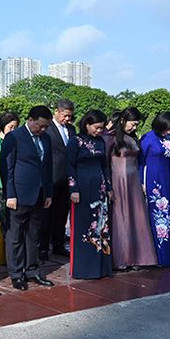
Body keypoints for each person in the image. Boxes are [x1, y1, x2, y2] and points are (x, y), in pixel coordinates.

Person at [0, 105, 54, 291]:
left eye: (46, 126)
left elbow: (47, 167)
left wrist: (48, 192)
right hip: (19, 194)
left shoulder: (46, 139)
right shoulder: (14, 137)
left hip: (39, 194)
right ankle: (16, 273)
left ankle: (32, 269)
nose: (43, 129)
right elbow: (7, 167)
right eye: (40, 125)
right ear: (30, 119)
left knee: (34, 234)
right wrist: (10, 193)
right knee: (15, 235)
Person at [104, 108, 157, 270]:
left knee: (136, 219)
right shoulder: (110, 138)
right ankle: (122, 258)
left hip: (133, 182)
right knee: (121, 219)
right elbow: (104, 164)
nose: (134, 128)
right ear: (122, 121)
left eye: (136, 125)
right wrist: (108, 185)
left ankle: (138, 257)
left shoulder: (133, 138)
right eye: (132, 124)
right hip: (118, 181)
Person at [67, 110, 113, 279]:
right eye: (96, 127)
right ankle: (84, 268)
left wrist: (108, 187)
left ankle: (102, 267)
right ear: (87, 124)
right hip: (82, 188)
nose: (99, 131)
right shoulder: (76, 142)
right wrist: (73, 189)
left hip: (99, 189)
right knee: (84, 226)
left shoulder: (101, 142)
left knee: (102, 226)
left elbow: (105, 166)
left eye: (101, 128)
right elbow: (69, 166)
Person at [140, 112, 170, 267]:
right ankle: (156, 256)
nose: (169, 132)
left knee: (167, 216)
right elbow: (140, 163)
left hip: (165, 181)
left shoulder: (169, 139)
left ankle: (168, 255)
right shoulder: (147, 139)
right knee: (155, 216)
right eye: (167, 128)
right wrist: (141, 182)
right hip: (152, 181)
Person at [43, 99, 76, 260]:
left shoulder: (71, 129)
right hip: (51, 177)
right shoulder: (47, 129)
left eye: (70, 116)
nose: (67, 119)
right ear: (56, 111)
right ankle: (43, 247)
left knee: (62, 214)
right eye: (65, 115)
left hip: (67, 178)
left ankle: (58, 244)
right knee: (47, 214)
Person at [0, 112, 19, 226]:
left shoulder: (16, 141)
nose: (13, 130)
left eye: (15, 127)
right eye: (10, 127)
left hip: (9, 184)